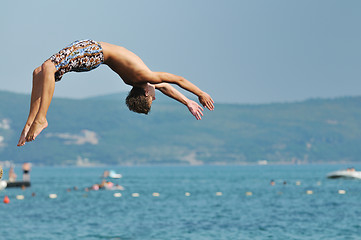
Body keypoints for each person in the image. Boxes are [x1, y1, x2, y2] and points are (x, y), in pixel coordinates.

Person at [17, 40, 214, 146]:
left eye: (153, 99)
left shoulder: (144, 76)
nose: (156, 95)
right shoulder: (138, 79)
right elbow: (167, 86)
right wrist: (188, 101)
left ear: (145, 93)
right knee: (39, 72)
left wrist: (199, 93)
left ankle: (41, 119)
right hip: (94, 54)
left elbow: (175, 81)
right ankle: (29, 124)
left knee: (47, 68)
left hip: (95, 52)